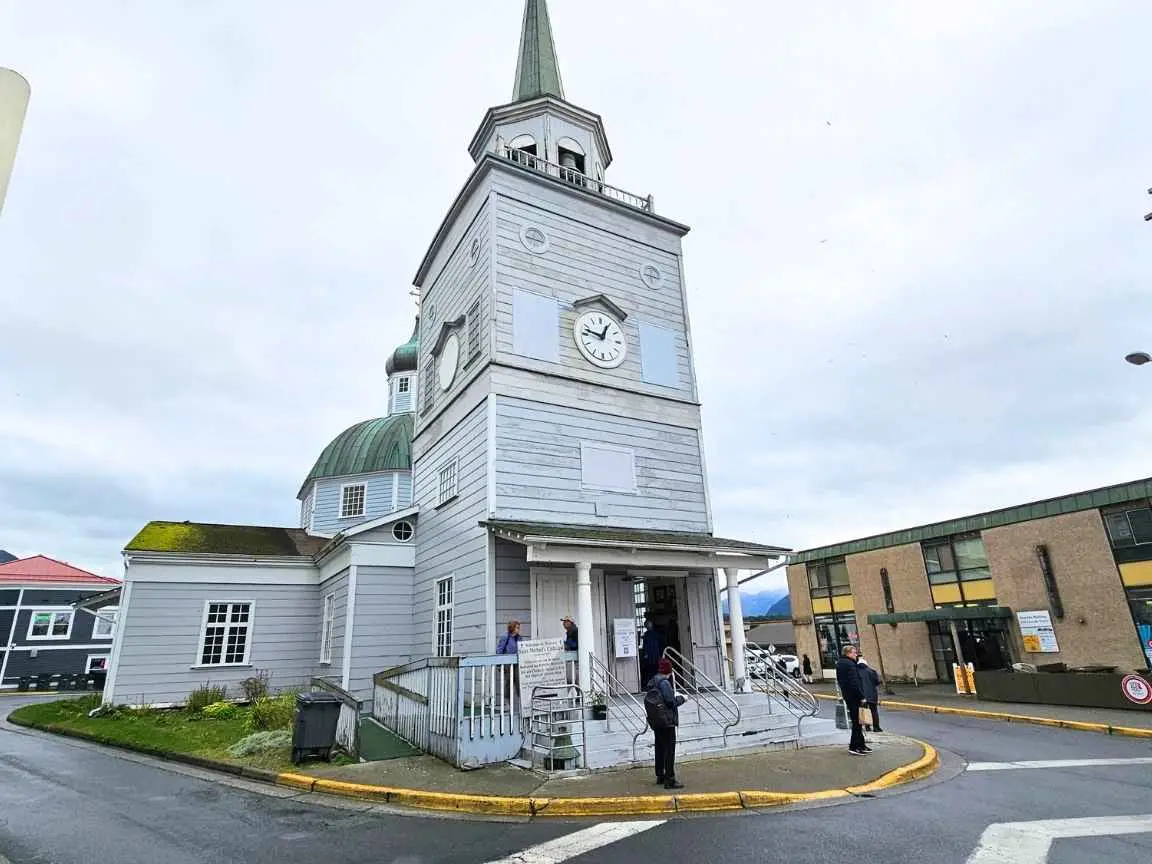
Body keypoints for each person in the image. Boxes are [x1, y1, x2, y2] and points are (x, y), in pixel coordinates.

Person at [646, 657, 686, 789]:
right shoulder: (664, 683)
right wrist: (682, 699)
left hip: (657, 720)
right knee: (669, 750)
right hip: (667, 721)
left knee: (660, 748)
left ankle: (660, 775)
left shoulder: (653, 682)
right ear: (669, 670)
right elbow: (670, 702)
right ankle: (670, 779)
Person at [835, 644, 870, 755]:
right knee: (857, 722)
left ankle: (861, 744)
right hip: (854, 697)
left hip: (848, 695)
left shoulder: (841, 663)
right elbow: (854, 682)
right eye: (854, 653)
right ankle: (854, 746)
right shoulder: (850, 664)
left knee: (858, 722)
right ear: (848, 653)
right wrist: (862, 696)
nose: (856, 655)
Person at [496, 620, 521, 705]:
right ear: (512, 628)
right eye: (517, 627)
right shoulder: (505, 636)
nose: (518, 629)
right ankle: (508, 703)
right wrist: (499, 665)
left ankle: (520, 702)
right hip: (507, 664)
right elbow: (499, 650)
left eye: (519, 628)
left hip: (517, 664)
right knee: (508, 683)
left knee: (518, 682)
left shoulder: (519, 638)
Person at [857, 655, 882, 733]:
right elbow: (877, 682)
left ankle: (867, 727)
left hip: (861, 695)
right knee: (874, 711)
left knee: (864, 710)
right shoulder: (872, 671)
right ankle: (876, 727)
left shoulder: (856, 672)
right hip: (872, 694)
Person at [640, 616, 663, 686]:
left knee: (656, 668)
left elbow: (660, 644)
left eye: (649, 624)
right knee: (650, 669)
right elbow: (645, 645)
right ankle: (651, 683)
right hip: (650, 655)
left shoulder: (656, 633)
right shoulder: (646, 634)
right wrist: (645, 654)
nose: (648, 625)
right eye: (647, 624)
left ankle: (656, 683)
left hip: (655, 654)